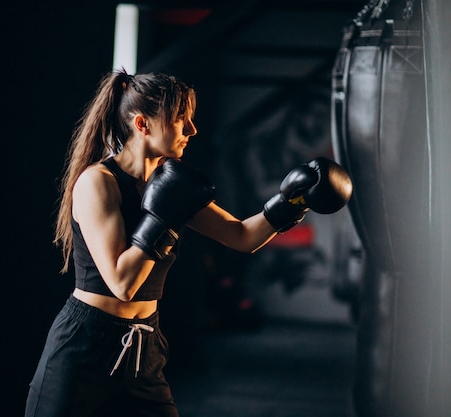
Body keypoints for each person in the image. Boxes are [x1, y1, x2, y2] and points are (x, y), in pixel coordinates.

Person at [24, 68, 352, 417]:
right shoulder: (98, 183)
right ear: (142, 124)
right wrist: (161, 218)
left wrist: (292, 202)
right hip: (85, 349)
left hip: (143, 348)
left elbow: (241, 236)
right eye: (181, 120)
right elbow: (122, 283)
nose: (192, 130)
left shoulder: (169, 184)